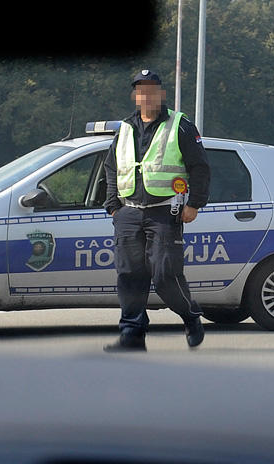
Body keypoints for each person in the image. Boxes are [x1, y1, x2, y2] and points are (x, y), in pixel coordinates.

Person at [102, 69, 210, 352]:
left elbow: (200, 167)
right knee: (129, 276)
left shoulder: (180, 125)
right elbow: (111, 167)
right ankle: (132, 335)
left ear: (161, 93)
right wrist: (113, 206)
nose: (146, 95)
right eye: (141, 90)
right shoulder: (125, 128)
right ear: (134, 95)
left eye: (151, 90)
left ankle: (190, 316)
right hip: (128, 213)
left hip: (164, 213)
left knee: (165, 276)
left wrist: (194, 204)